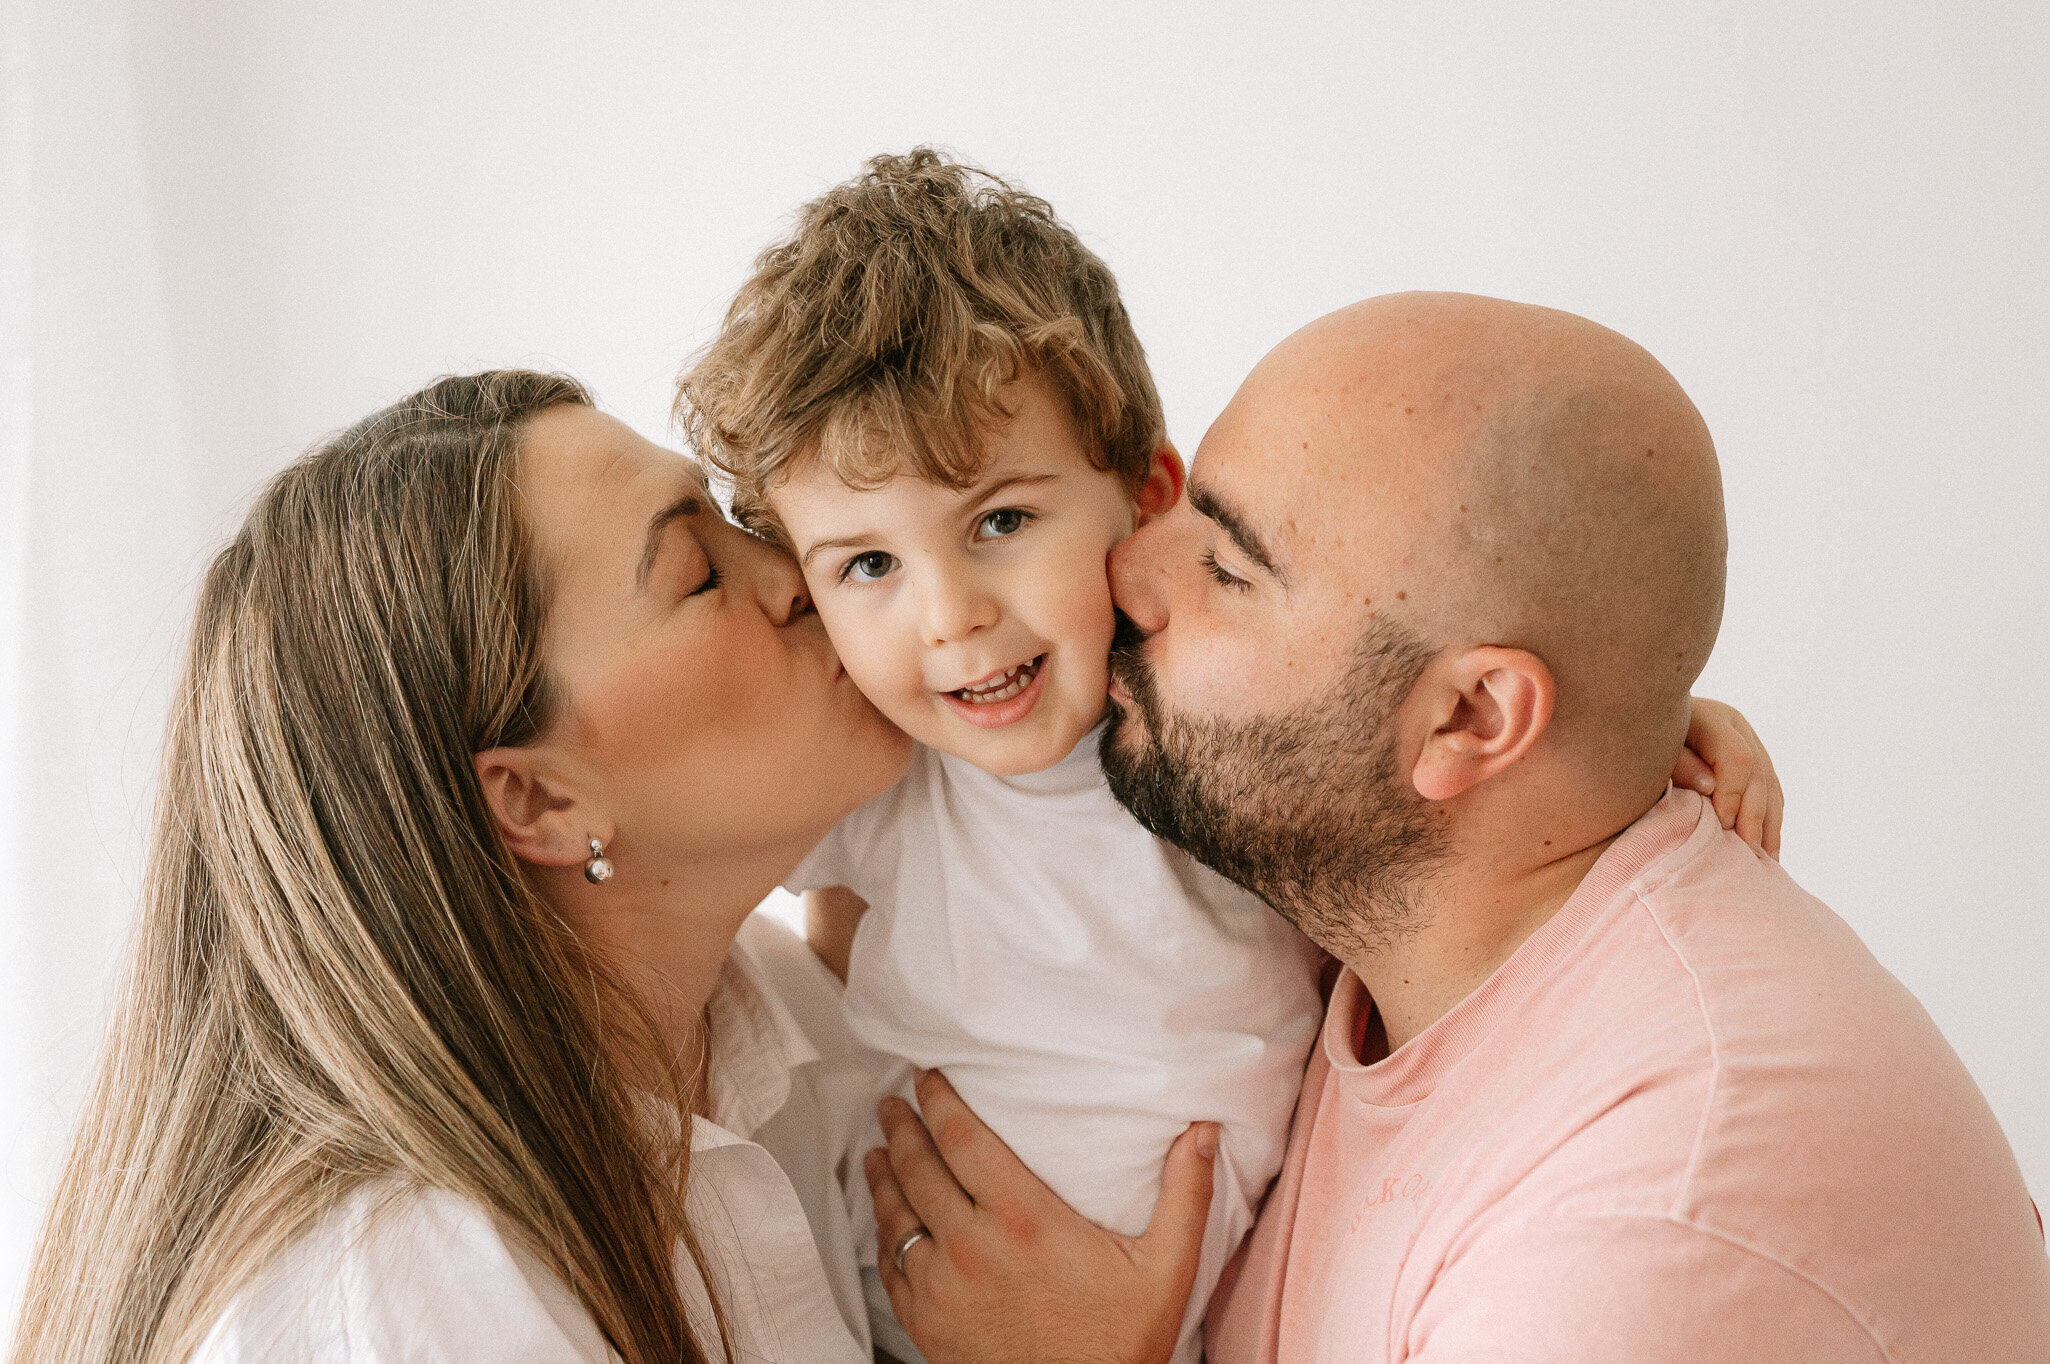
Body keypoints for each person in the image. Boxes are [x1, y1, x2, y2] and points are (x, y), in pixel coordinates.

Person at [682, 153, 1790, 1364]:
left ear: (1149, 491)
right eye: (867, 567)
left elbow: (1456, 748)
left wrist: (1660, 715)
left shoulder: (1228, 736)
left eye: (1000, 522)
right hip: (904, 1318)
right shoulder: (886, 769)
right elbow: (658, 834)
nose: (948, 616)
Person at [862, 293, 2050, 1362]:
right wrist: (1639, 711)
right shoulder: (1392, 897)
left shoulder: (1638, 1240)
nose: (1124, 568)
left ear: (1471, 717)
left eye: (1225, 564)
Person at [11, 372, 911, 1363]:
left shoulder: (776, 1012)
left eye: (742, 518)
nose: (799, 573)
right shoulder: (400, 1295)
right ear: (539, 801)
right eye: (700, 571)